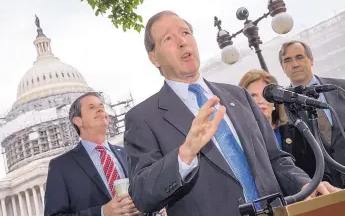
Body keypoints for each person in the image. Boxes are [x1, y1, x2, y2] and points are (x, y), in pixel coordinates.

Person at [123, 11, 341, 216]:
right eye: (168, 39)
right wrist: (185, 154)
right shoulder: (143, 118)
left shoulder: (239, 96)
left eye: (186, 32)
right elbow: (142, 195)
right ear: (154, 58)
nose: (183, 41)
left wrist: (305, 184)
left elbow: (275, 158)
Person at [44, 92, 141, 216]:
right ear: (78, 121)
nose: (100, 109)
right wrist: (102, 212)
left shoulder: (127, 154)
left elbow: (147, 197)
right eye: (92, 107)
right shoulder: (61, 166)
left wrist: (143, 207)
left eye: (101, 106)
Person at [239, 69, 332, 182]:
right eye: (252, 96)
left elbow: (323, 174)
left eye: (264, 94)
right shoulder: (240, 140)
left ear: (275, 101)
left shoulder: (297, 131)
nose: (259, 101)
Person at [279, 40, 345, 188]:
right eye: (287, 60)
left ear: (311, 60)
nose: (295, 64)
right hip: (322, 189)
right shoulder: (281, 106)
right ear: (283, 67)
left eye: (299, 57)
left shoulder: (339, 88)